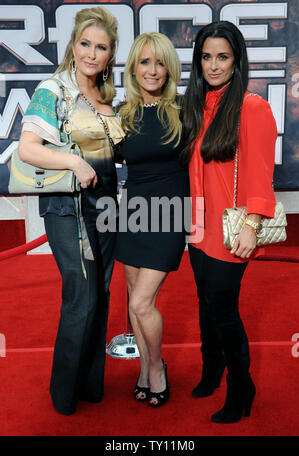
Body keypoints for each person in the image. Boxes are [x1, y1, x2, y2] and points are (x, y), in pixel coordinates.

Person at [18, 6, 125, 415]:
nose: (91, 54)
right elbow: (28, 148)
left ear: (110, 53)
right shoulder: (54, 89)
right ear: (73, 45)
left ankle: (90, 386)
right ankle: (64, 395)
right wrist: (74, 162)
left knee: (100, 293)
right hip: (68, 209)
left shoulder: (107, 95)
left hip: (107, 207)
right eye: (85, 44)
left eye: (100, 47)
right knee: (80, 296)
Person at [181, 21, 277, 423]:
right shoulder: (195, 106)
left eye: (222, 57)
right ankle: (212, 366)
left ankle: (242, 386)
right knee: (205, 303)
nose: (214, 65)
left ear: (237, 61)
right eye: (206, 56)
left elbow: (258, 172)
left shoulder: (251, 107)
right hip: (197, 228)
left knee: (223, 309)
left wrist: (252, 225)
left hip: (230, 230)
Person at [115, 32, 189, 408]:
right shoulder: (122, 115)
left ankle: (157, 367)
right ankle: (143, 370)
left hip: (171, 213)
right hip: (132, 213)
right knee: (133, 300)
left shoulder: (183, 109)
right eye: (144, 62)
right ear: (133, 68)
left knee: (143, 302)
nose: (152, 70)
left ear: (170, 68)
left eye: (160, 62)